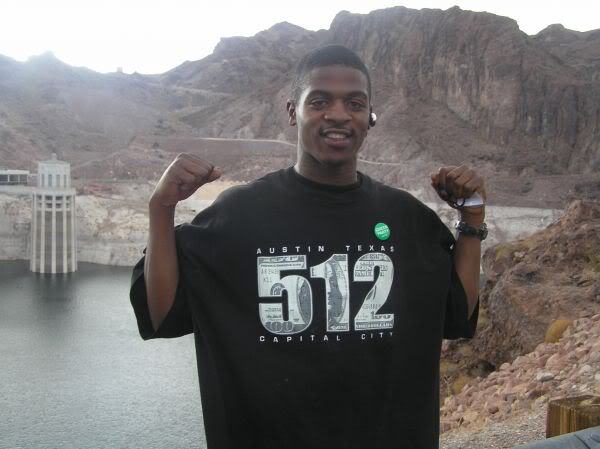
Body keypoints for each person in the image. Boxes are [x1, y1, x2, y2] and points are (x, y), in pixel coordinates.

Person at [130, 44, 486, 449]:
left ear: (370, 117)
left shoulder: (408, 219)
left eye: (355, 103)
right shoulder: (239, 215)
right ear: (292, 111)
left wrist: (472, 218)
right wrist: (161, 208)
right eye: (319, 101)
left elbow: (457, 314)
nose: (338, 114)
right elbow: (161, 314)